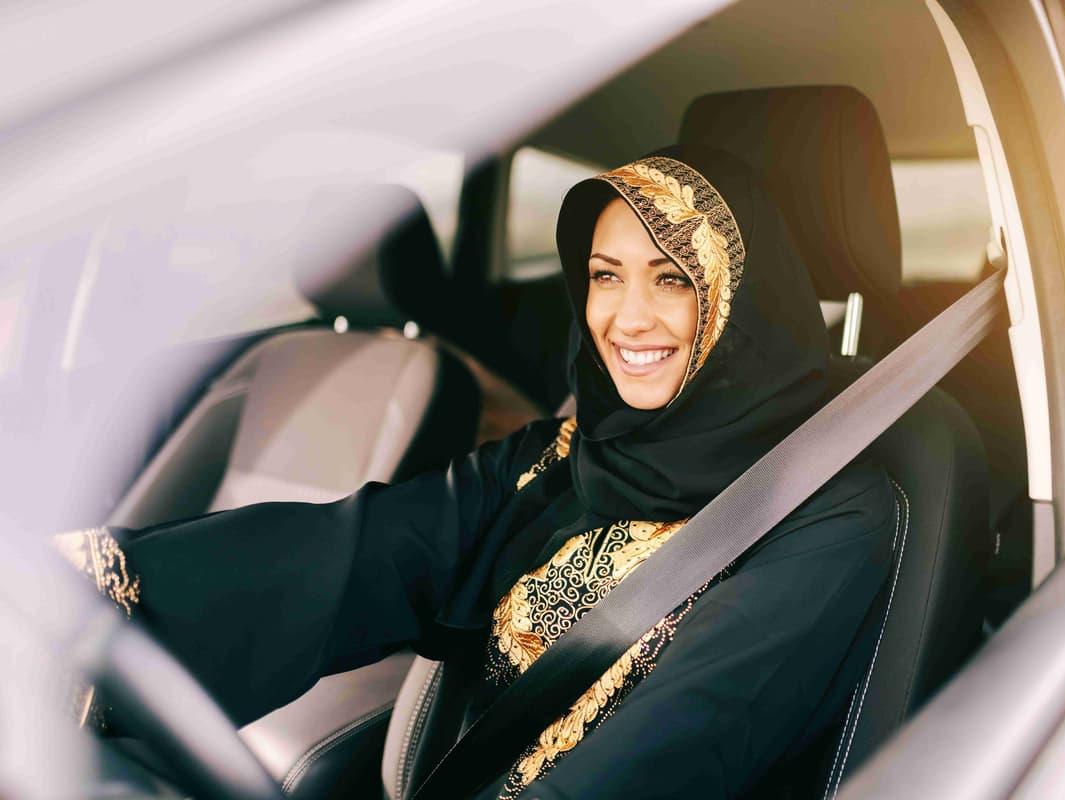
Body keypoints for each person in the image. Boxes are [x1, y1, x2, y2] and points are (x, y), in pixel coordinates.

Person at [56, 146, 897, 798]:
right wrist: (87, 595)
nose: (627, 319)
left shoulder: (827, 514)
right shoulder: (561, 458)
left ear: (735, 301)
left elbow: (688, 741)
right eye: (605, 278)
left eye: (671, 279)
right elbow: (353, 555)